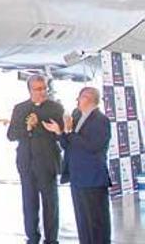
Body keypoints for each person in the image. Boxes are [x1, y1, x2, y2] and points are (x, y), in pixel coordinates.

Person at [43, 87, 111, 244]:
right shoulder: (79, 117)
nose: (77, 101)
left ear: (88, 98)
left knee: (96, 222)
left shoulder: (100, 120)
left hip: (92, 178)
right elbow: (70, 145)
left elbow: (92, 146)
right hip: (78, 177)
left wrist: (69, 132)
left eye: (80, 98)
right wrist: (60, 132)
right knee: (83, 221)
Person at [7, 75, 64, 244]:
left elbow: (60, 134)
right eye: (38, 89)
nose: (42, 92)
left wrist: (46, 128)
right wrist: (27, 128)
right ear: (30, 90)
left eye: (44, 88)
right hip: (26, 162)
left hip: (47, 162)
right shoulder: (20, 109)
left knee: (50, 203)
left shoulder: (55, 108)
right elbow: (11, 135)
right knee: (29, 203)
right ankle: (32, 237)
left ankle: (51, 239)